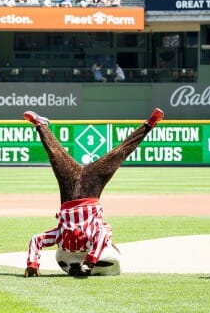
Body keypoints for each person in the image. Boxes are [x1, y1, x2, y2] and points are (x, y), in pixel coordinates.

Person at [24, 108, 164, 277]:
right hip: (91, 189)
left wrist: (33, 264)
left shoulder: (63, 238)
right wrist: (90, 261)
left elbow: (36, 240)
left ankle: (41, 124)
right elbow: (103, 233)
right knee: (118, 154)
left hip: (69, 195)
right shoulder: (87, 237)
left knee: (55, 154)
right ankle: (149, 124)